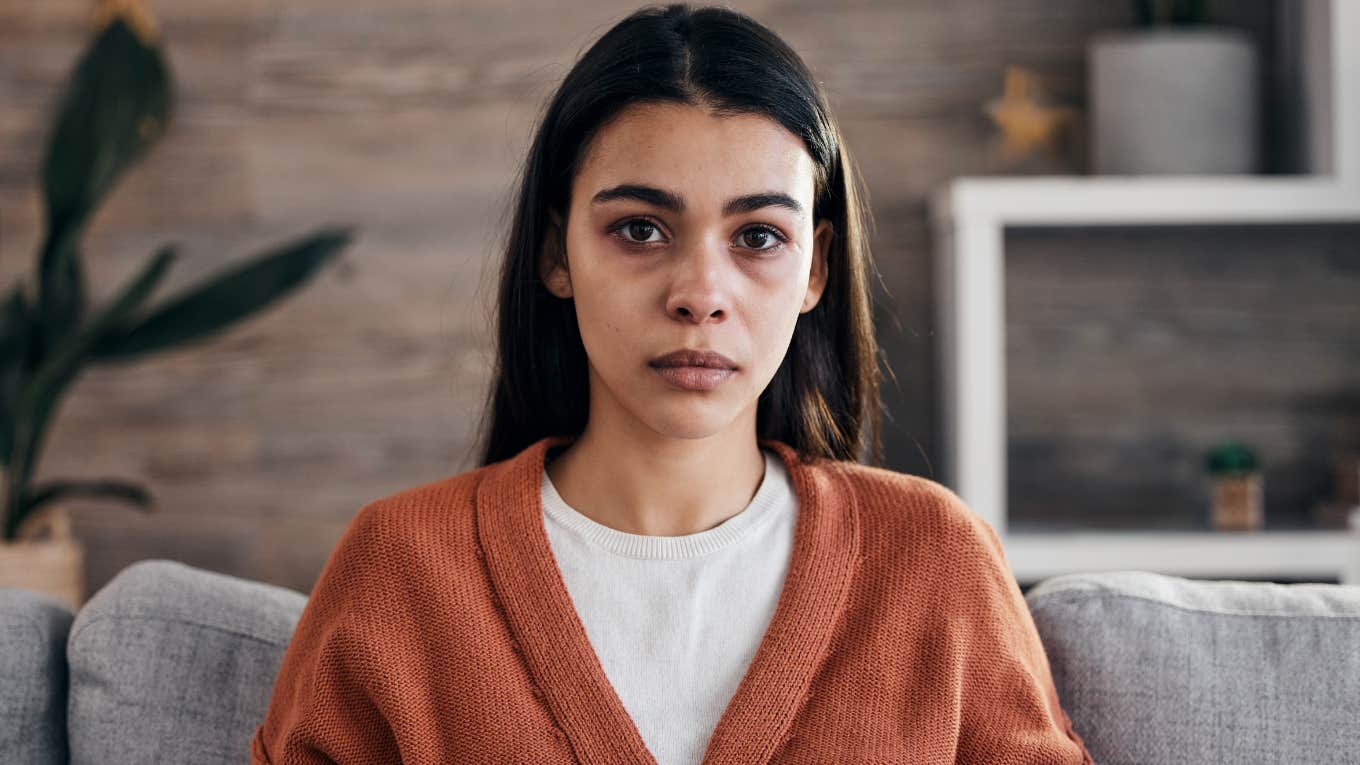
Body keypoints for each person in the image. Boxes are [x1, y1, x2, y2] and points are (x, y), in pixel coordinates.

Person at [250, 4, 1095, 763]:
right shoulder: (398, 569)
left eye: (759, 236)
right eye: (641, 228)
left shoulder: (935, 560)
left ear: (817, 269)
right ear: (556, 253)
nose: (699, 293)